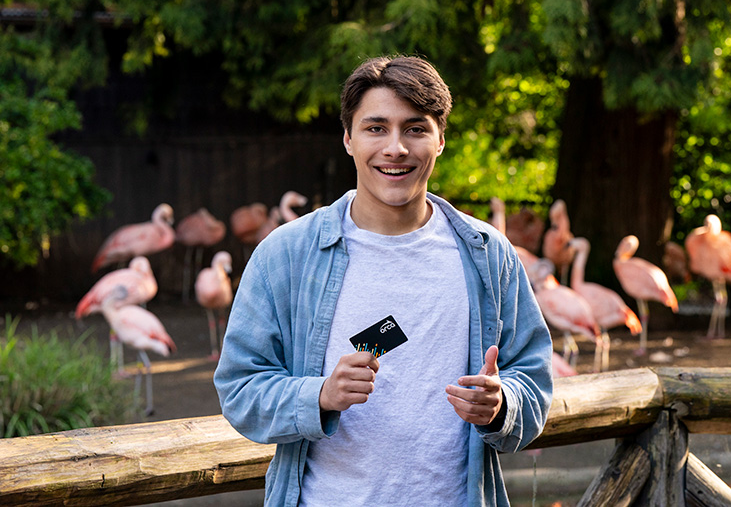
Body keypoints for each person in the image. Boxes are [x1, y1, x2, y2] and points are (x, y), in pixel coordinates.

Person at [214, 55, 553, 507]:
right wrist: (319, 394)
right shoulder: (286, 255)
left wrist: (501, 406)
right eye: (376, 128)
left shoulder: (488, 255)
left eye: (415, 129)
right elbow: (240, 389)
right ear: (348, 139)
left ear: (440, 141)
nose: (396, 148)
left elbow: (533, 379)